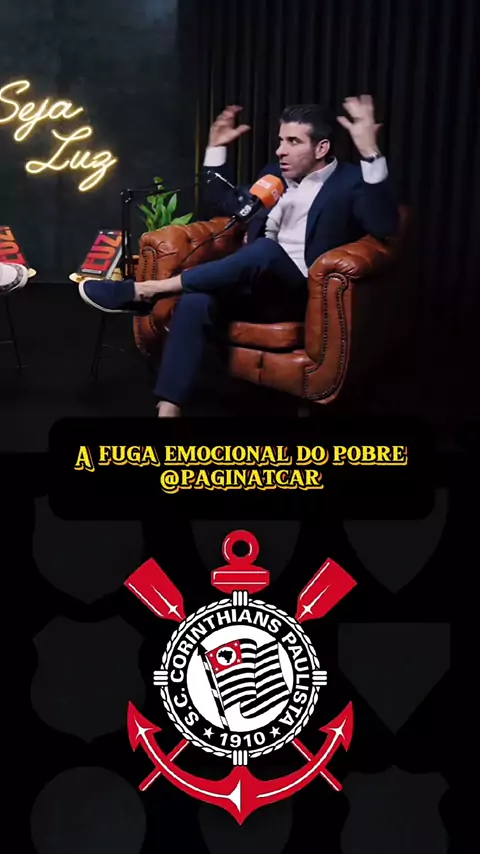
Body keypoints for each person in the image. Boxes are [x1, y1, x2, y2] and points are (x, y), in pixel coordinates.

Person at [79, 95, 399, 417]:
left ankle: (148, 290)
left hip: (298, 292)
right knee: (195, 302)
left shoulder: (350, 182)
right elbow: (223, 203)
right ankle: (169, 409)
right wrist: (216, 149)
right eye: (280, 140)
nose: (280, 150)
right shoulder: (273, 176)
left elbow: (384, 224)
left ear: (321, 148)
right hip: (251, 285)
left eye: (293, 142)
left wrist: (370, 153)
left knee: (265, 250)